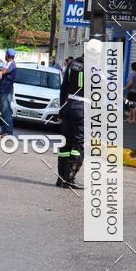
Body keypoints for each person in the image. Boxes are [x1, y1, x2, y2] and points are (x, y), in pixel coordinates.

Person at [57, 53, 85, 189]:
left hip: (68, 107)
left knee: (65, 145)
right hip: (83, 109)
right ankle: (69, 178)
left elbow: (63, 87)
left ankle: (61, 178)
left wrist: (61, 110)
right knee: (78, 145)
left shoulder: (72, 64)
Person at [0, 49, 17, 137]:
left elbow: (5, 71)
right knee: (3, 110)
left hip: (7, 91)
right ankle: (4, 130)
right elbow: (3, 70)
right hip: (3, 90)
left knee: (7, 111)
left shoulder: (12, 65)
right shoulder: (8, 64)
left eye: (5, 54)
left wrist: (1, 72)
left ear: (7, 55)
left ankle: (9, 132)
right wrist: (0, 71)